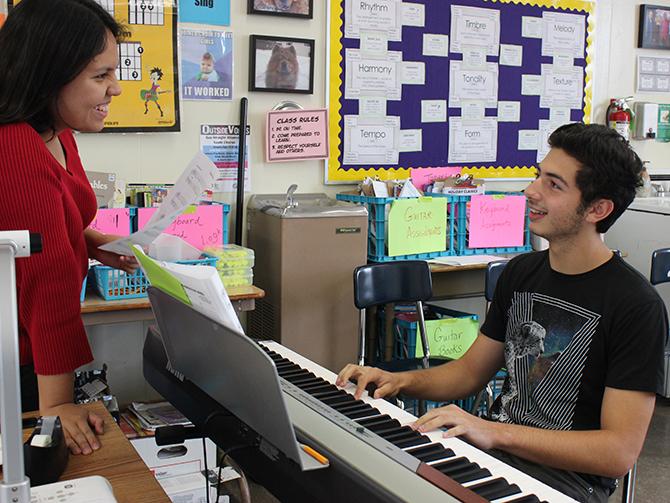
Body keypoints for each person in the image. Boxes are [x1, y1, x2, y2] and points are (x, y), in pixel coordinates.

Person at [337, 123, 667, 503]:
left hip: (565, 483)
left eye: (554, 185)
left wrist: (494, 432)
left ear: (598, 208)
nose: (532, 191)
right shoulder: (521, 271)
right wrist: (396, 380)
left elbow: (617, 453)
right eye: (538, 175)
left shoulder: (636, 306)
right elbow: (468, 373)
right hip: (491, 457)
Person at [0, 0, 137, 456]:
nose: (115, 89)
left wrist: (95, 244)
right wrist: (56, 405)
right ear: (48, 74)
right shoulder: (14, 149)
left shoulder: (57, 134)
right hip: (17, 361)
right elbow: (47, 277)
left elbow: (54, 227)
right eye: (101, 76)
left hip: (31, 352)